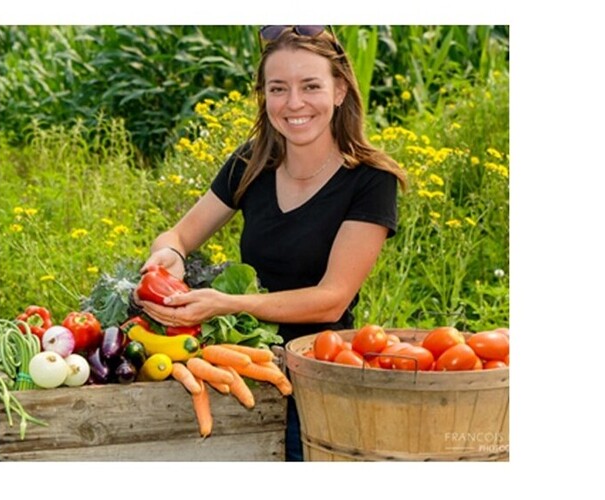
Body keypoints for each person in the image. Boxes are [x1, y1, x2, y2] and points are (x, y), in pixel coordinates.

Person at [137, 25, 406, 461]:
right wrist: (166, 256)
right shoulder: (252, 162)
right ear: (264, 95)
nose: (294, 103)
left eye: (310, 86)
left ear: (339, 90)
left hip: (317, 379)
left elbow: (331, 300)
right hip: (244, 364)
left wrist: (225, 303)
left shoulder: (371, 181)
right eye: (278, 88)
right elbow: (179, 235)